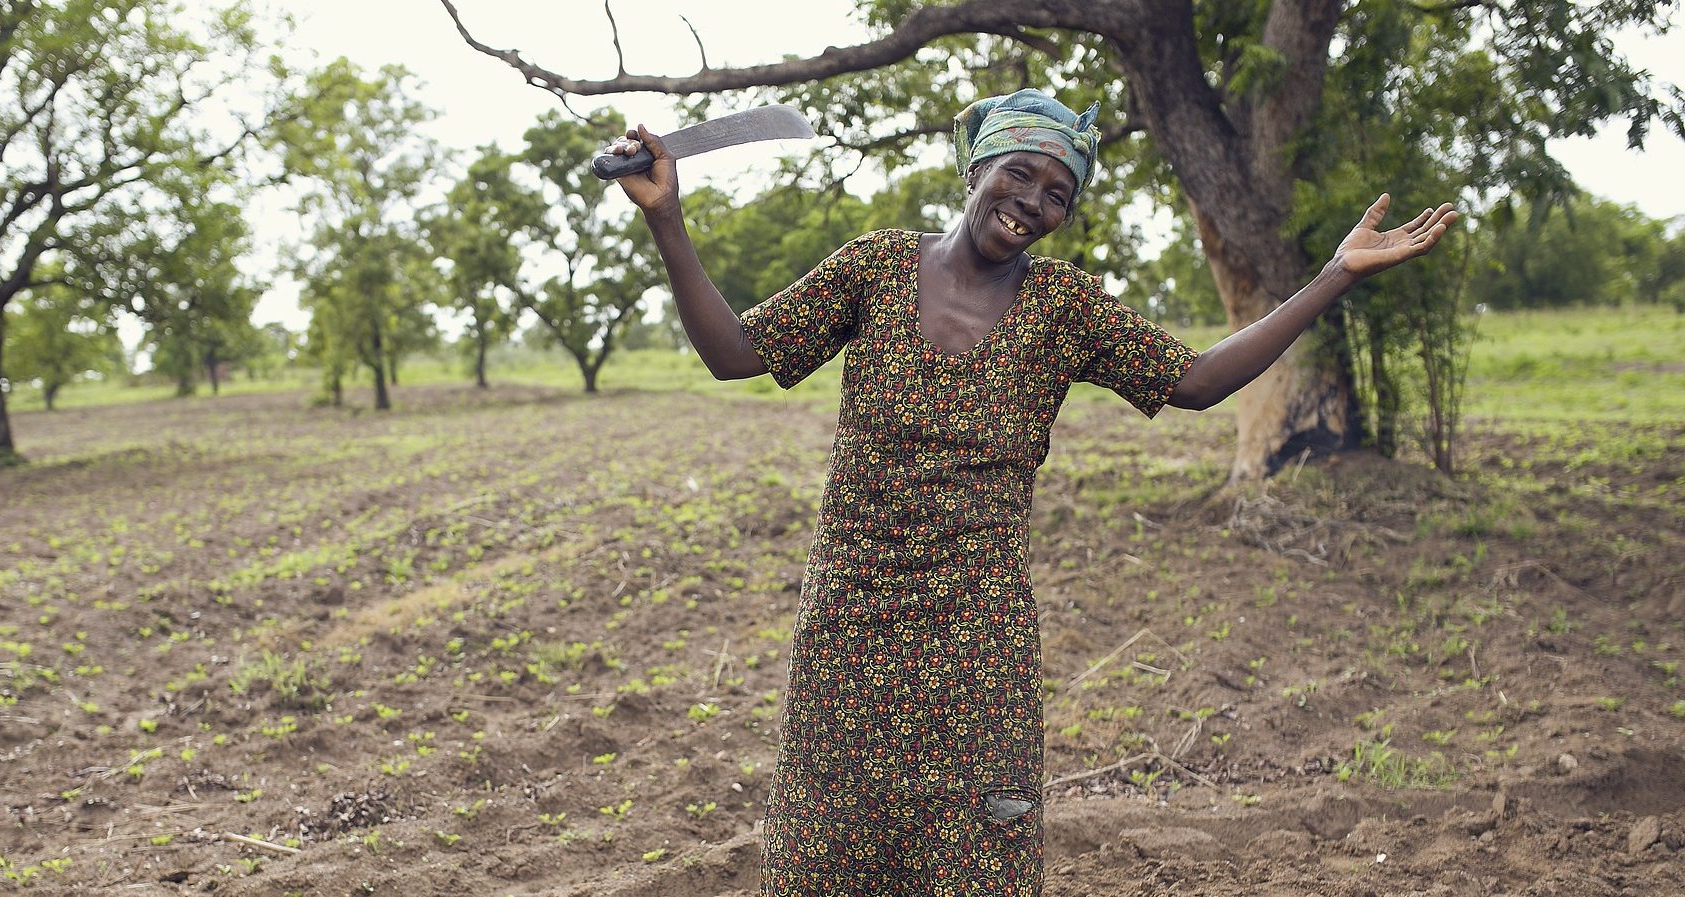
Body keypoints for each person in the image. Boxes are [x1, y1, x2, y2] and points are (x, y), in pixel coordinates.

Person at [605, 89, 1457, 897]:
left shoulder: (1062, 307)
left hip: (978, 638)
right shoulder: (875, 267)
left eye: (1057, 194)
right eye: (1020, 172)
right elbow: (736, 353)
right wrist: (667, 220)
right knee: (825, 850)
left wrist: (1335, 274)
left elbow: (1194, 381)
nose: (1032, 203)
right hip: (850, 625)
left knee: (979, 854)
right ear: (977, 166)